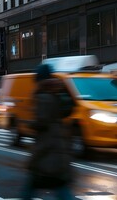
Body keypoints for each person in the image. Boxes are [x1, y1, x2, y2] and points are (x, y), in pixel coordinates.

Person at [22, 64, 75, 199]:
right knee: (59, 185)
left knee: (31, 187)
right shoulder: (55, 92)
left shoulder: (43, 96)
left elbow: (42, 122)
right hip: (58, 145)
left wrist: (28, 123)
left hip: (47, 148)